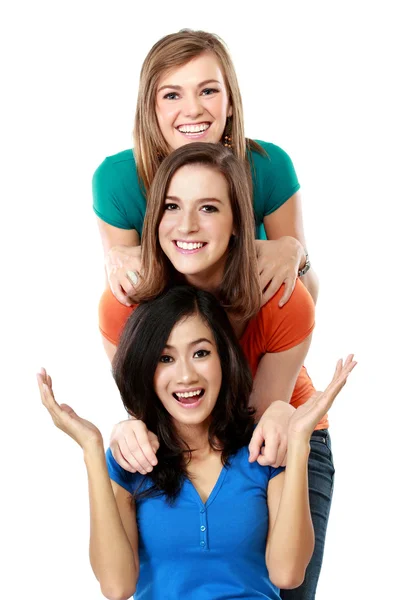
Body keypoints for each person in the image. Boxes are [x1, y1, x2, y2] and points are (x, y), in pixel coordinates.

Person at [100, 142, 330, 599]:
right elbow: (150, 407)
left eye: (208, 207)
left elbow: (254, 431)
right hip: (182, 439)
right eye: (171, 207)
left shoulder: (284, 300)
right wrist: (124, 432)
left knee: (286, 585)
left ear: (238, 224)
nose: (186, 225)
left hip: (277, 431)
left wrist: (285, 416)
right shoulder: (123, 306)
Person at [38, 285, 356, 600]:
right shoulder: (130, 460)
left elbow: (287, 573)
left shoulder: (262, 451)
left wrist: (299, 442)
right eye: (165, 358)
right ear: (146, 369)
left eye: (201, 353)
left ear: (224, 358)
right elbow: (116, 586)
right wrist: (92, 450)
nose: (186, 376)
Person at [93, 29, 319, 334]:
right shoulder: (116, 180)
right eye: (172, 95)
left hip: (259, 340)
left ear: (229, 103)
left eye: (208, 91)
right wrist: (117, 259)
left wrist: (296, 255)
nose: (193, 109)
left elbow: (303, 301)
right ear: (151, 108)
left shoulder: (269, 165)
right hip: (176, 356)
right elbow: (129, 310)